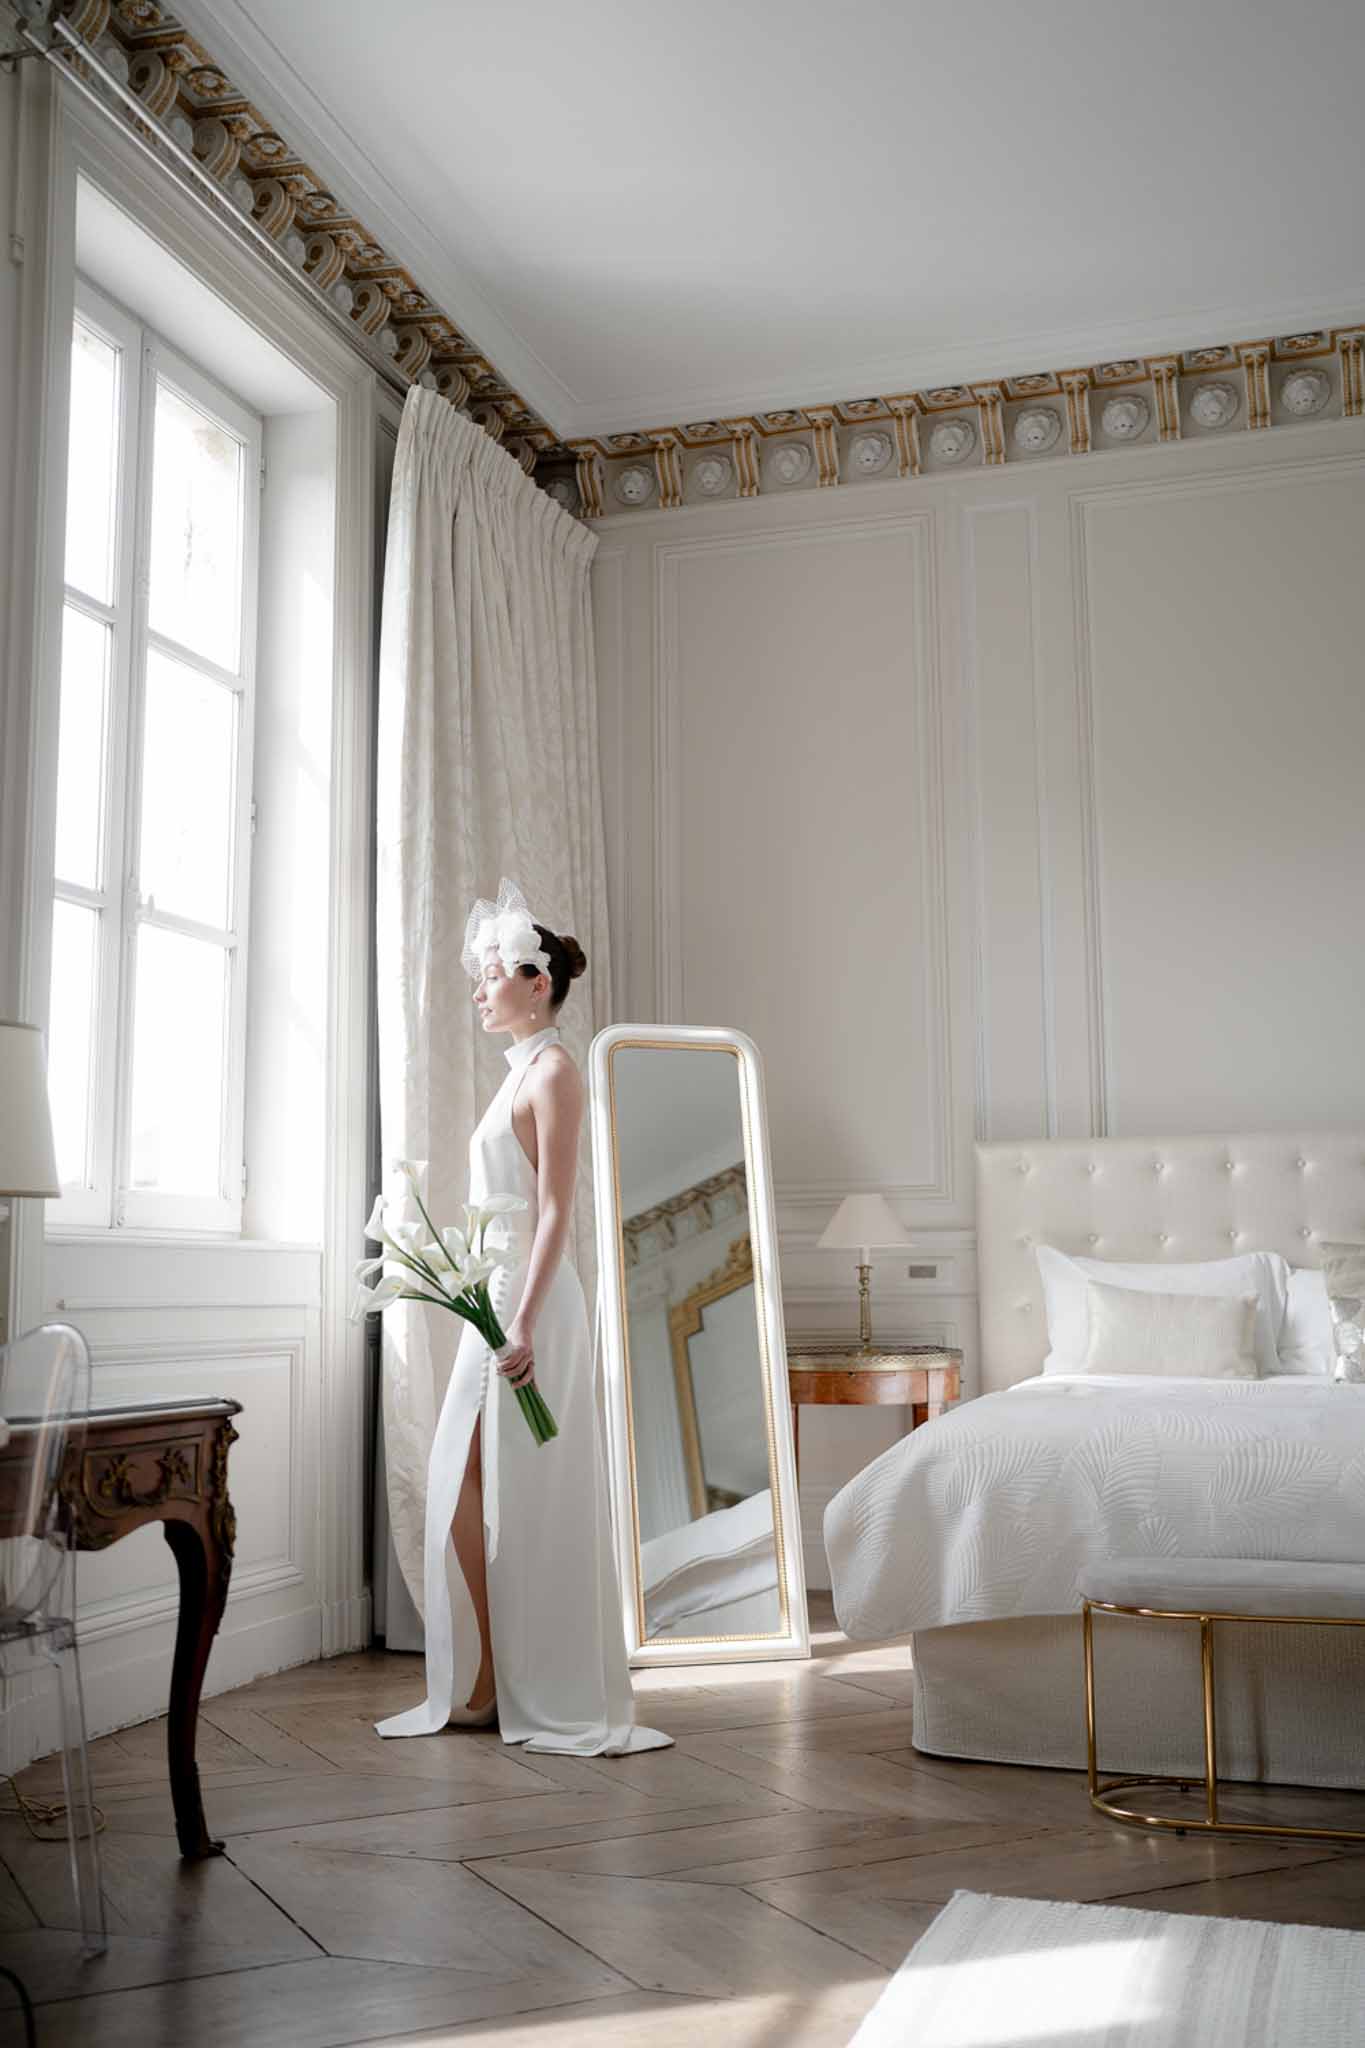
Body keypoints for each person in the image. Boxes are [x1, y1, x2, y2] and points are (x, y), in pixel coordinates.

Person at [376, 880, 672, 1756]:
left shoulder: (556, 1073)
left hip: (528, 1303)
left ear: (537, 984)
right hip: (494, 1294)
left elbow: (553, 1212)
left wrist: (526, 1324)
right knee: (463, 1480)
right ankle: (489, 1671)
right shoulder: (521, 1074)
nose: (478, 989)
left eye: (492, 973)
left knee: (519, 1486)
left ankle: (513, 1678)